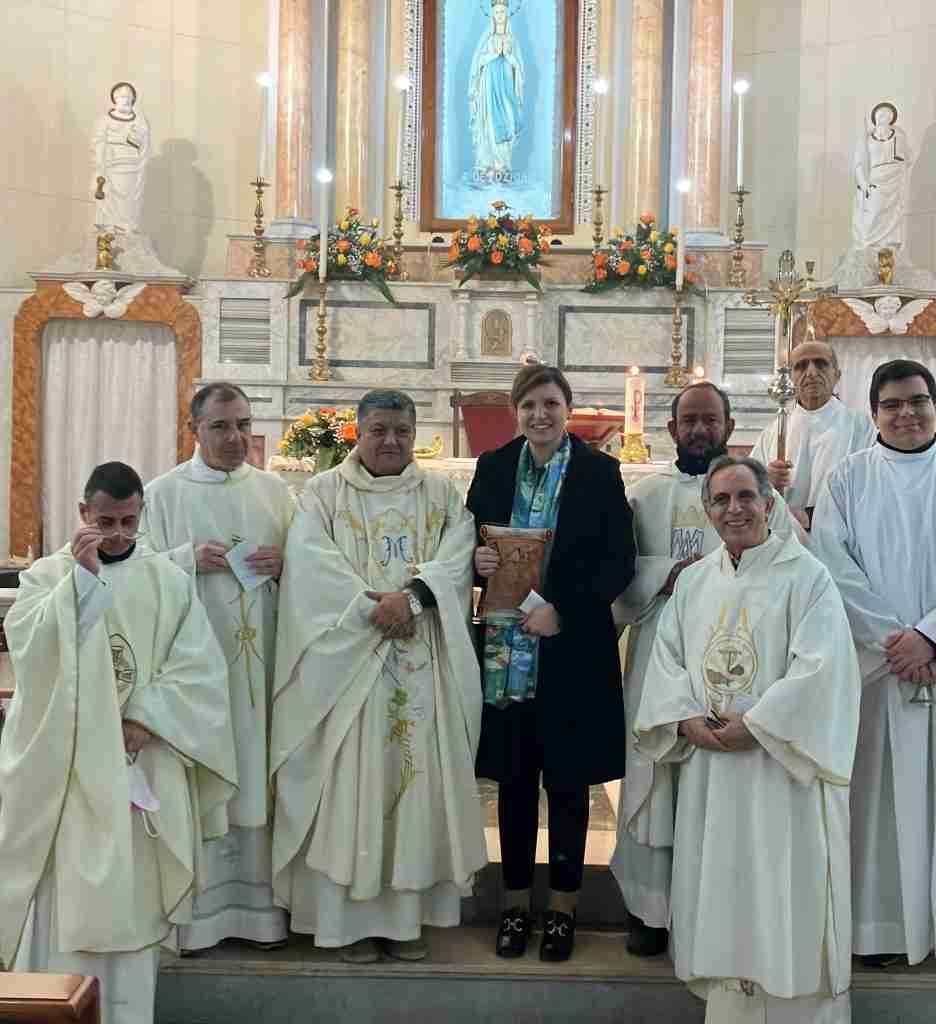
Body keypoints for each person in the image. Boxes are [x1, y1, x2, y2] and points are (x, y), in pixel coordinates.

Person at [0, 462, 236, 1024]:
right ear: (84, 512)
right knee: (64, 898)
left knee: (132, 896)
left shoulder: (167, 580)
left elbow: (201, 668)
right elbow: (29, 649)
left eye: (128, 522)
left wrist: (148, 717)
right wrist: (81, 580)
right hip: (67, 768)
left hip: (140, 761)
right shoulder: (48, 575)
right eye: (105, 522)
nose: (117, 534)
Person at [635, 455, 860, 1023]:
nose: (733, 509)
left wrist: (757, 726)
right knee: (726, 885)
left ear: (768, 503)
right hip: (713, 769)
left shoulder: (807, 577)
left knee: (785, 885)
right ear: (707, 510)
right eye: (720, 500)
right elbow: (665, 661)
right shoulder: (694, 582)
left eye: (744, 497)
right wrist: (683, 719)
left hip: (781, 771)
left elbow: (824, 670)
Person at [271, 389, 486, 964]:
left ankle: (404, 922)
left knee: (413, 786)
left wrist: (411, 599)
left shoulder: (441, 494)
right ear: (358, 434)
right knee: (352, 787)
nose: (390, 441)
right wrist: (376, 609)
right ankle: (348, 924)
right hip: (349, 666)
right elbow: (311, 567)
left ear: (415, 435)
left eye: (401, 431)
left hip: (421, 665)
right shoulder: (323, 493)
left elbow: (458, 557)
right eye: (379, 431)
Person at [610, 382, 798, 957]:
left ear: (729, 426)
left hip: (737, 660)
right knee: (655, 776)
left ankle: (718, 912)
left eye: (709, 419)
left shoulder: (759, 495)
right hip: (660, 657)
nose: (699, 429)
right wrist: (668, 574)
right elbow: (616, 572)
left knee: (721, 785)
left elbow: (792, 565)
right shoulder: (646, 495)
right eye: (688, 420)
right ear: (671, 429)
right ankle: (650, 911)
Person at [467, 364, 635, 962]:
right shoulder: (492, 467)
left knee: (567, 783)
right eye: (529, 405)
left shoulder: (599, 472)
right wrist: (477, 561)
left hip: (572, 648)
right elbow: (468, 541)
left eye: (551, 404)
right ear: (516, 412)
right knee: (513, 783)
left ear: (567, 410)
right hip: (505, 653)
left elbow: (619, 561)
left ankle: (563, 911)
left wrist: (563, 611)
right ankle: (515, 906)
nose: (540, 415)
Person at [143, 383, 293, 952]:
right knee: (206, 771)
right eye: (221, 426)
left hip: (261, 671)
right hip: (196, 673)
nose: (235, 437)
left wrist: (286, 563)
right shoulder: (163, 495)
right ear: (195, 430)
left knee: (256, 770)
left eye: (243, 425)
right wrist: (185, 559)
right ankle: (200, 917)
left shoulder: (276, 493)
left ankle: (260, 914)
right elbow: (134, 572)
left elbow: (314, 569)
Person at [812, 358, 936, 968]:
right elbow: (833, 567)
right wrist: (898, 642)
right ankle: (881, 929)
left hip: (926, 657)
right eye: (892, 405)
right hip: (881, 670)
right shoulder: (848, 478)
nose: (906, 414)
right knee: (878, 805)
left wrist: (930, 636)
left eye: (917, 401)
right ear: (874, 413)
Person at [751, 339, 875, 531]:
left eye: (820, 363)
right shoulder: (774, 432)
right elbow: (749, 489)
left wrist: (812, 516)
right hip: (786, 535)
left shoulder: (861, 426)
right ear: (790, 377)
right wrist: (767, 482)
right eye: (801, 366)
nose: (811, 372)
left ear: (837, 374)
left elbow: (871, 485)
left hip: (840, 534)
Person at [468, 0, 524, 180]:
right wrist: (493, 54)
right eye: (497, 12)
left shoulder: (512, 39)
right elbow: (478, 64)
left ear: (507, 15)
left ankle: (503, 166)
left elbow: (519, 67)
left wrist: (507, 55)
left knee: (507, 119)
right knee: (489, 122)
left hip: (506, 87)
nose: (500, 16)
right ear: (492, 15)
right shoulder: (488, 39)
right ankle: (488, 164)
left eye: (502, 12)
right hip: (489, 87)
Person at [852, 101, 913, 251]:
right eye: (880, 114)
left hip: (895, 181)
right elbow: (859, 164)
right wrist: (863, 183)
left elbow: (907, 158)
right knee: (874, 213)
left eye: (887, 114)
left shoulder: (899, 136)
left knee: (893, 217)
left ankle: (888, 248)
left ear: (892, 118)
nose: (883, 117)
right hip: (876, 181)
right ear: (875, 117)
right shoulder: (866, 139)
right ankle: (868, 245)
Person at [92, 81, 151, 233]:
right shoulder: (104, 120)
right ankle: (108, 227)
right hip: (109, 166)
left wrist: (141, 164)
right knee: (108, 197)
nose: (125, 100)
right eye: (121, 96)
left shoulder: (140, 121)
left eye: (128, 97)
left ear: (133, 99)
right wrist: (100, 161)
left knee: (128, 201)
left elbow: (145, 146)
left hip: (131, 168)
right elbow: (98, 142)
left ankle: (125, 226)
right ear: (114, 99)